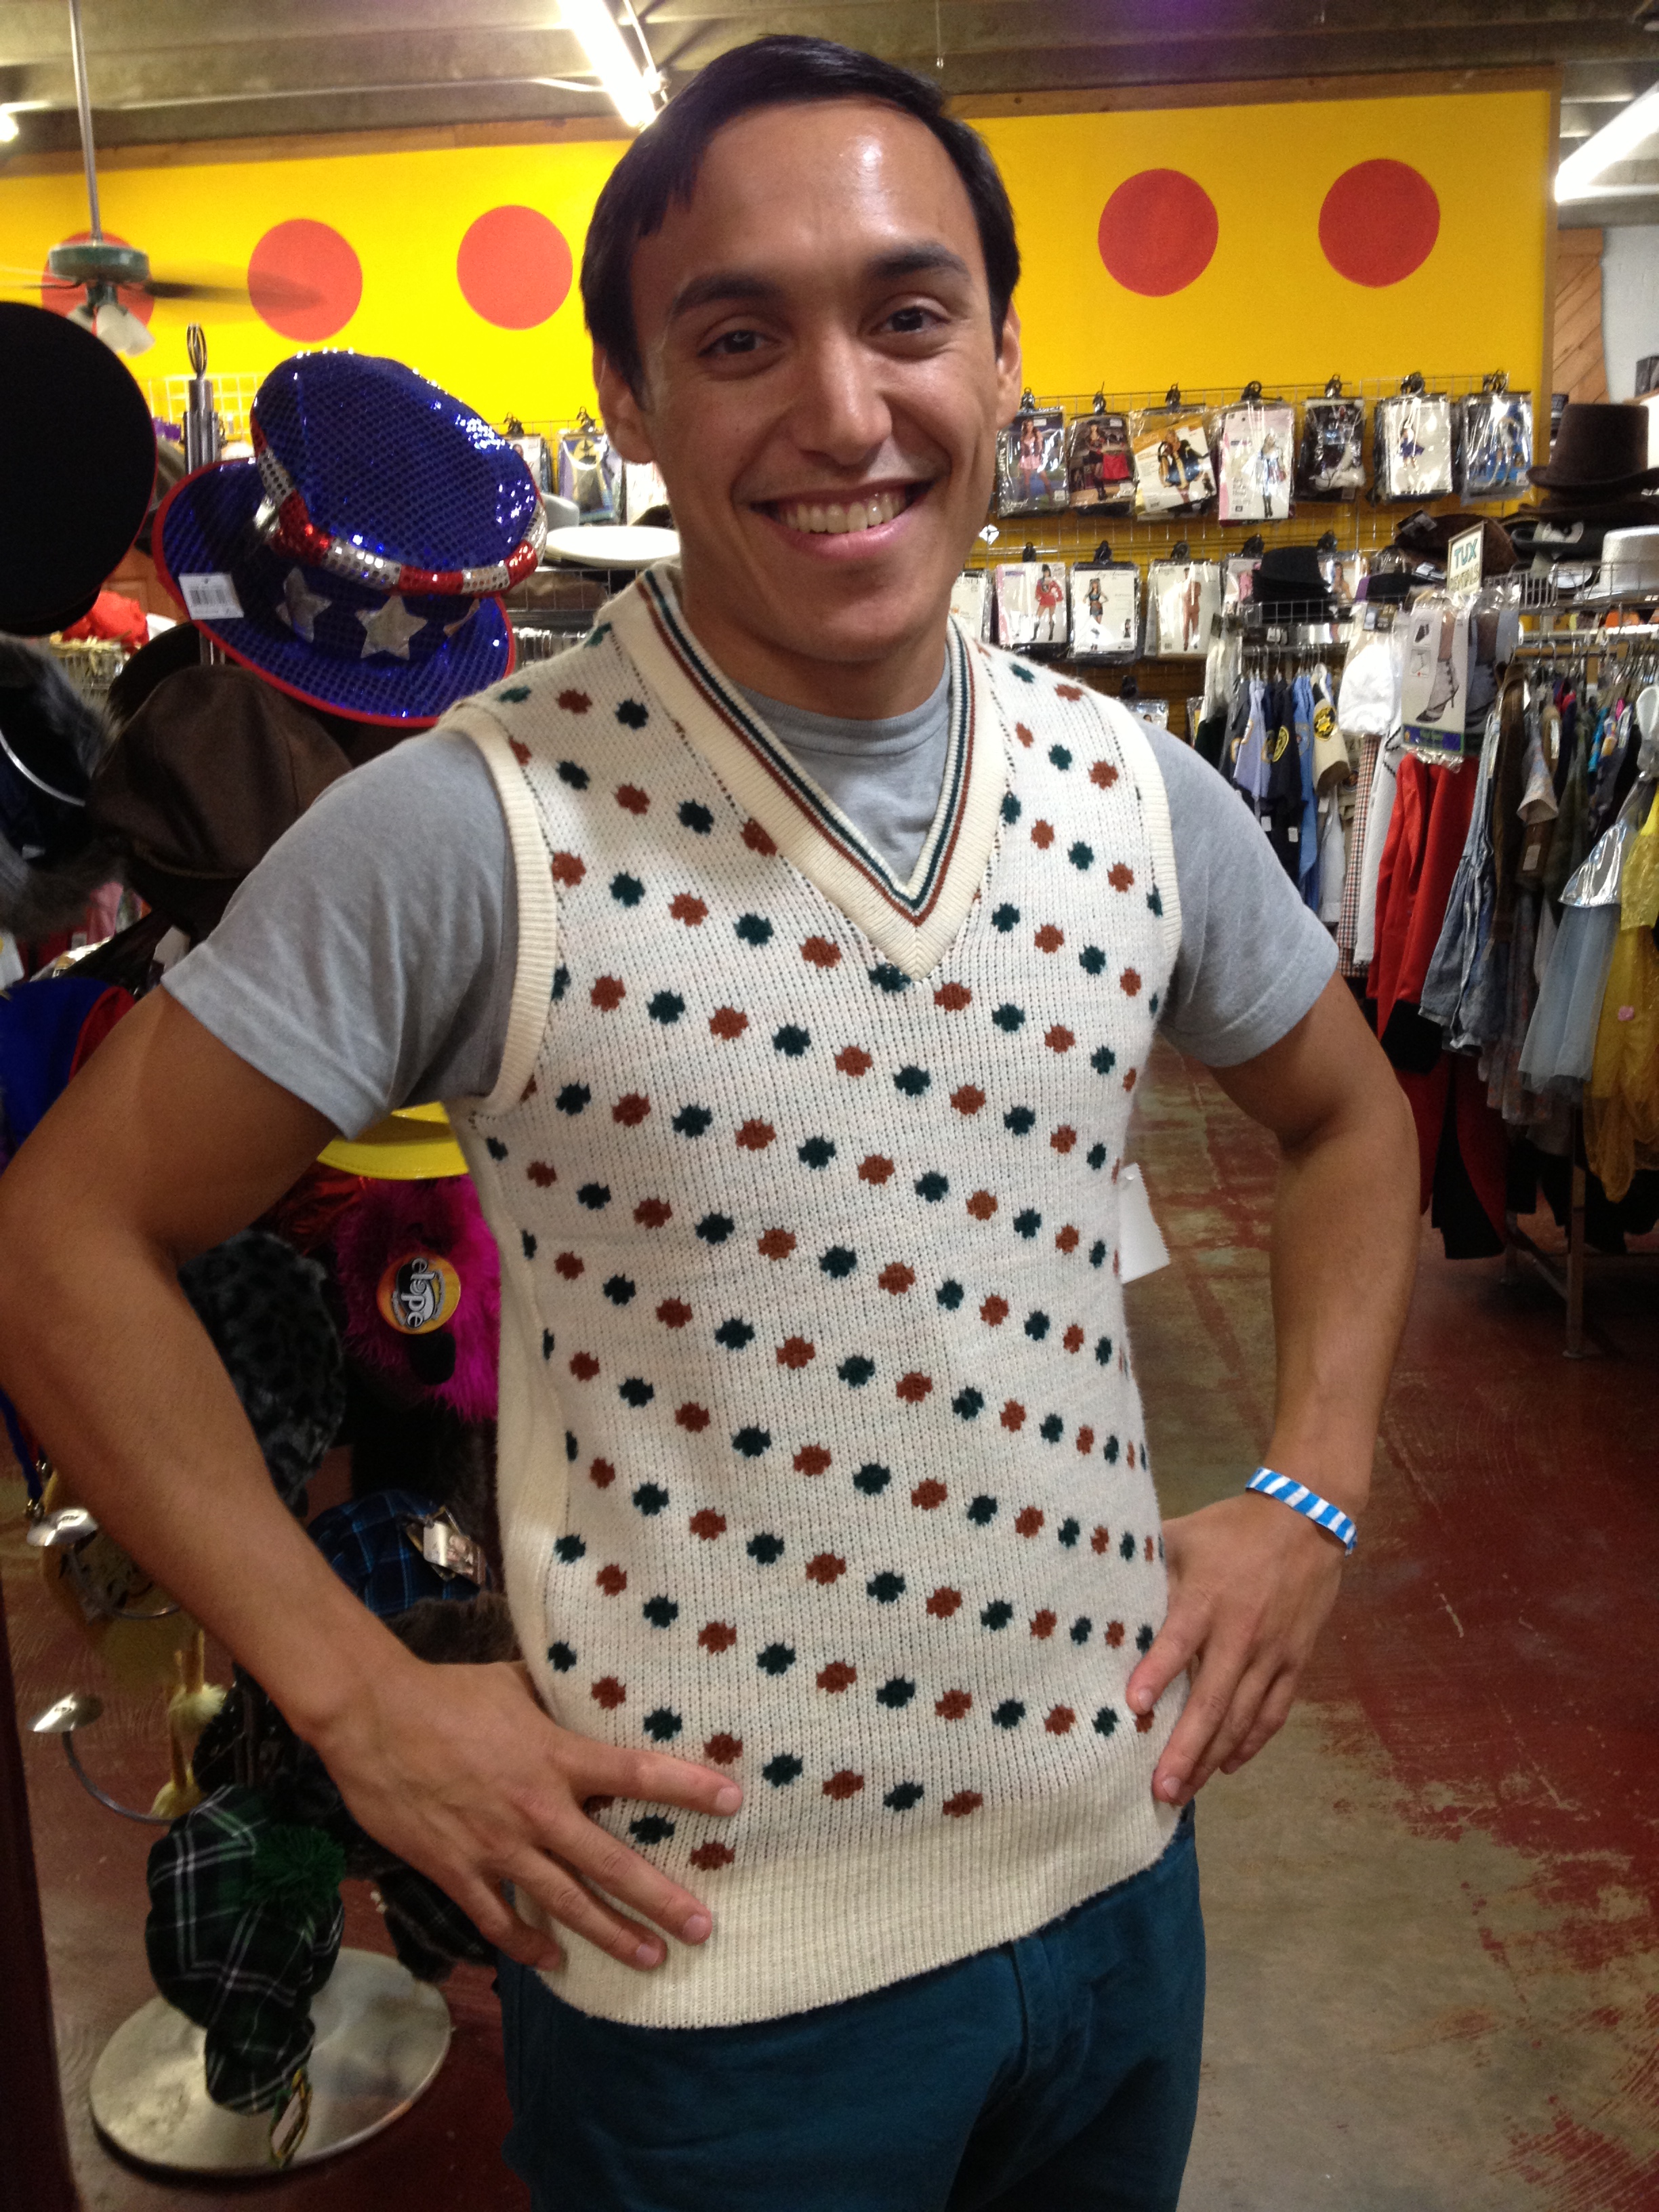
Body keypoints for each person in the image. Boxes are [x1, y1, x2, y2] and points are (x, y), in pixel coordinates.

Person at [0, 35, 1419, 2211]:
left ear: (1006, 357)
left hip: (1122, 1885)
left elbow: (1351, 1122)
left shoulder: (1139, 794)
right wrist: (357, 1701)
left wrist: (1311, 1485)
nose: (845, 412)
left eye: (909, 314)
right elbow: (59, 1243)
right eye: (741, 338)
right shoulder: (470, 832)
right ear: (635, 400)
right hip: (717, 1991)